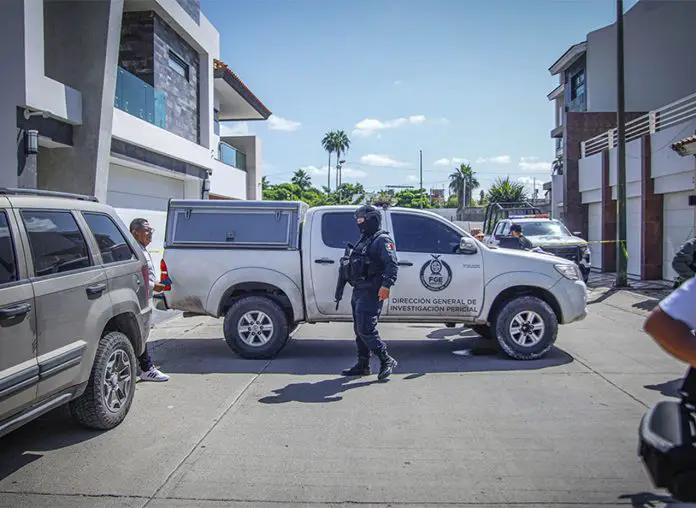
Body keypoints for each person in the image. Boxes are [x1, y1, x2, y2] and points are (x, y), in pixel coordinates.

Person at [341, 205, 399, 381]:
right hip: (359, 289)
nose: (359, 224)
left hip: (372, 290)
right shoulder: (365, 239)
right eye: (358, 221)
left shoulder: (382, 240)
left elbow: (392, 265)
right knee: (359, 330)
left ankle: (385, 359)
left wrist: (386, 285)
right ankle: (363, 365)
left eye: (362, 220)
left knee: (366, 328)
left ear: (372, 219)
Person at [129, 218, 170, 382]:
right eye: (147, 230)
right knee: (140, 334)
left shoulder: (142, 249)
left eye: (151, 230)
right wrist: (154, 286)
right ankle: (147, 368)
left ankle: (142, 367)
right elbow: (136, 275)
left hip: (145, 297)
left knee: (141, 334)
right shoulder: (132, 250)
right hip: (138, 298)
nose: (150, 234)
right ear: (135, 232)